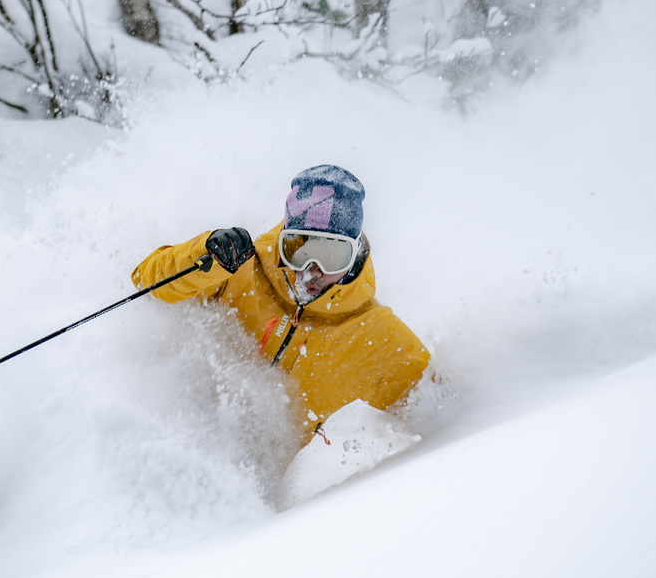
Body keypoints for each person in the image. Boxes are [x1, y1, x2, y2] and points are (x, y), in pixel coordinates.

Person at [131, 164, 431, 448]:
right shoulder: (239, 269)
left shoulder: (384, 340)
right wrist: (201, 256)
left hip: (293, 489)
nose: (313, 270)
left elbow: (439, 419)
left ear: (355, 254)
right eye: (298, 249)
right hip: (185, 436)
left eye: (332, 254)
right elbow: (146, 284)